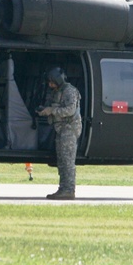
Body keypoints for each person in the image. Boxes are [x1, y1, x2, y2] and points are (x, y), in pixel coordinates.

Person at [37, 66, 82, 200]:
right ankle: (63, 189)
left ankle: (68, 190)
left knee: (67, 161)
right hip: (61, 129)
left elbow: (70, 110)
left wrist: (52, 111)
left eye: (52, 82)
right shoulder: (57, 91)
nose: (50, 85)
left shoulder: (70, 91)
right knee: (62, 161)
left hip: (69, 129)